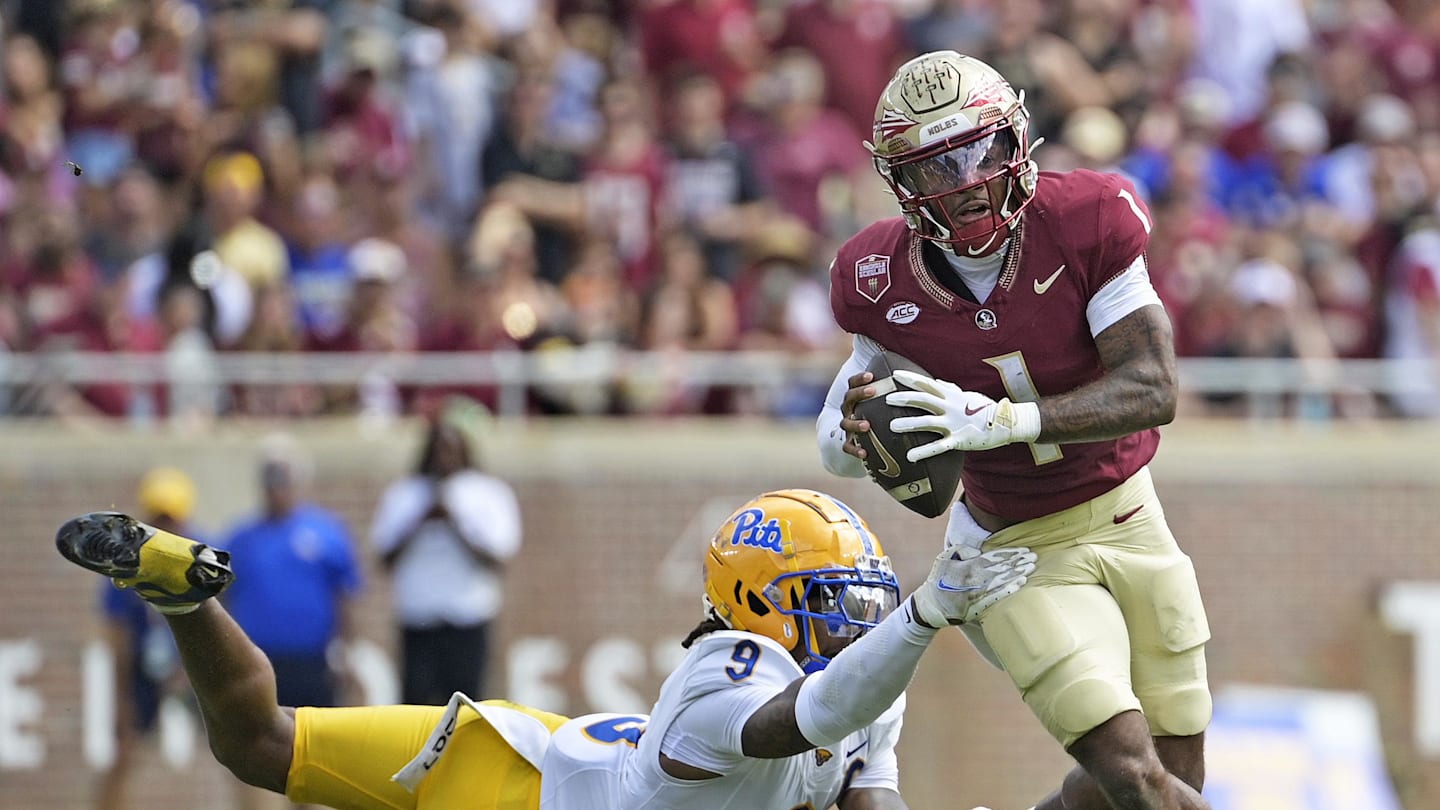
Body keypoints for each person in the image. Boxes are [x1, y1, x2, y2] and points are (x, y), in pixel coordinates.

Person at [55, 488, 1036, 810]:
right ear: (755, 605)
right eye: (832, 606)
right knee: (261, 745)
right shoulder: (734, 672)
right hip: (519, 791)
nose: (858, 628)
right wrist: (921, 619)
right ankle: (179, 595)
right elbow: (805, 721)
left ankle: (177, 597)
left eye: (866, 608)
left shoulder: (865, 684)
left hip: (566, 752)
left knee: (260, 743)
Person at [818, 51, 1213, 810]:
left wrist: (1004, 421)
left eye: (981, 150)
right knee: (1133, 777)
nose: (968, 181)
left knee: (1172, 774)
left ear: (1016, 139)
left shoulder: (1086, 217)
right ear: (902, 179)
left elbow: (1153, 385)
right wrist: (859, 435)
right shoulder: (878, 279)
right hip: (1011, 551)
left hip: (1132, 513)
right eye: (939, 165)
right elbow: (836, 440)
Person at [370, 406, 521, 705]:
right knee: (416, 707)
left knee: (467, 706)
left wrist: (455, 524)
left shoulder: (488, 492)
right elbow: (385, 557)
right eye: (438, 449)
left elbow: (498, 558)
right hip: (418, 618)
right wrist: (420, 521)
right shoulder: (405, 493)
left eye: (450, 449)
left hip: (468, 616)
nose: (444, 457)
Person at [94, 466, 200, 810]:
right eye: (158, 518)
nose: (165, 528)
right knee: (124, 752)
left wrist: (192, 670)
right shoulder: (124, 561)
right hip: (144, 666)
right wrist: (121, 698)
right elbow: (118, 633)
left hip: (193, 664)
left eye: (171, 519)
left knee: (242, 749)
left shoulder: (202, 557)